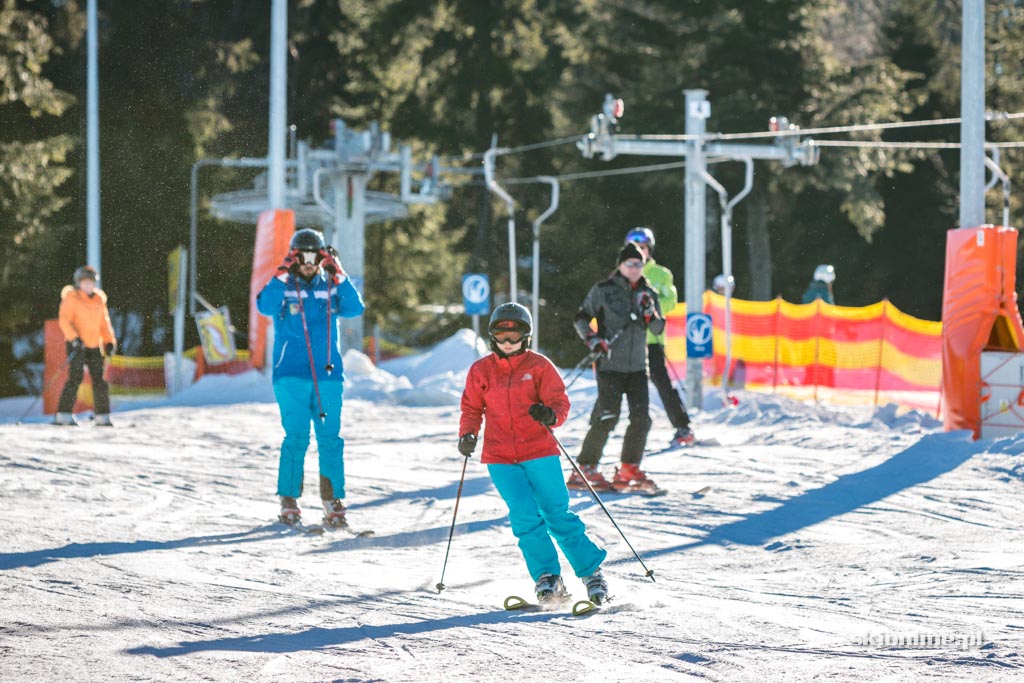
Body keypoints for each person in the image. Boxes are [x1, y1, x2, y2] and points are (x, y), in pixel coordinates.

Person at [458, 302, 609, 604]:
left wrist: (550, 415)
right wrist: (468, 432)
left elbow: (559, 403)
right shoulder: (481, 370)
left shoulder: (539, 366)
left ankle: (592, 573)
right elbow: (472, 407)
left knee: (556, 514)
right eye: (502, 336)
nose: (508, 343)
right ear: (492, 337)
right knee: (525, 517)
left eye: (515, 337)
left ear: (526, 337)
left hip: (539, 451)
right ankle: (548, 577)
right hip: (500, 458)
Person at [256, 228, 365, 528]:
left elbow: (355, 308)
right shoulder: (284, 286)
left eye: (313, 255)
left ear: (322, 257)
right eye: (300, 255)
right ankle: (288, 498)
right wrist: (281, 272)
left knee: (330, 438)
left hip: (328, 375)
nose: (307, 262)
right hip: (290, 375)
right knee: (297, 438)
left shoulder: (331, 284)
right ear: (292, 257)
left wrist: (339, 272)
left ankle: (332, 499)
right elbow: (264, 305)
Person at [570, 241, 665, 493]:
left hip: (637, 367)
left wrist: (651, 314)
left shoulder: (648, 293)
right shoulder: (604, 290)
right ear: (620, 265)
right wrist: (593, 340)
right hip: (609, 365)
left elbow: (658, 329)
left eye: (639, 264)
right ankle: (585, 468)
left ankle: (629, 467)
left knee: (642, 418)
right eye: (630, 264)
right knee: (607, 416)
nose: (635, 269)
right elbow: (581, 317)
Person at [624, 227, 696, 448]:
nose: (639, 253)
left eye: (642, 248)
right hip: (629, 341)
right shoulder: (623, 272)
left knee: (662, 382)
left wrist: (649, 308)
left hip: (652, 339)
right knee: (626, 386)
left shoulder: (660, 274)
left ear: (649, 250)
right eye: (634, 249)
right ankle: (632, 433)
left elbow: (670, 301)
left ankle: (682, 426)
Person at [55, 266, 117, 426]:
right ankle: (63, 414)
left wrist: (109, 341)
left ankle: (102, 415)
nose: (88, 286)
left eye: (91, 282)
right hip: (77, 344)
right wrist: (74, 338)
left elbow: (104, 323)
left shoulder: (99, 300)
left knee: (99, 379)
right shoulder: (72, 298)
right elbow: (64, 320)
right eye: (85, 282)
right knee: (76, 377)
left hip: (94, 345)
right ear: (78, 283)